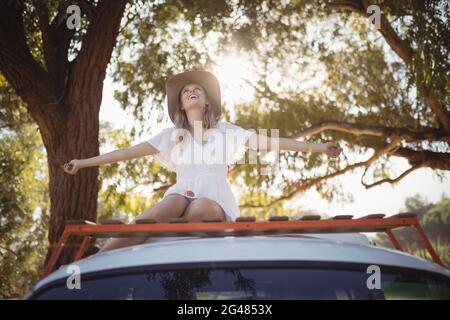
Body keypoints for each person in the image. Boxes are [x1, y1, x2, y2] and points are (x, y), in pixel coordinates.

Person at [62, 70, 342, 252]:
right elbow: (125, 153)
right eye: (186, 92)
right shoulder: (171, 136)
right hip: (180, 193)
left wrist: (317, 147)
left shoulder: (226, 131)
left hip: (213, 196)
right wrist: (83, 162)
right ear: (181, 106)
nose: (191, 91)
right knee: (169, 203)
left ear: (207, 102)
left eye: (197, 89)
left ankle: (173, 224)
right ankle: (96, 259)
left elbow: (271, 141)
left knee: (197, 210)